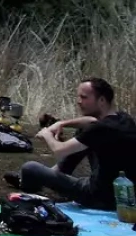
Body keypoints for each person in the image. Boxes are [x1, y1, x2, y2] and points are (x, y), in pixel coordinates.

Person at [8, 77, 136, 210]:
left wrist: (47, 134)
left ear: (102, 100)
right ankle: (56, 172)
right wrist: (62, 123)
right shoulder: (123, 118)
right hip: (121, 191)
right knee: (84, 130)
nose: (79, 101)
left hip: (98, 197)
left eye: (84, 97)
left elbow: (59, 150)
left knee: (29, 168)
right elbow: (90, 121)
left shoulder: (100, 128)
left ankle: (30, 183)